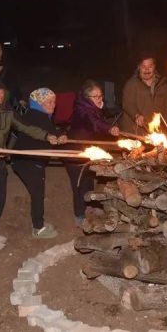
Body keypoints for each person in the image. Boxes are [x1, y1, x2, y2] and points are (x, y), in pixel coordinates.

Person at [0, 77, 60, 250]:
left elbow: (25, 127)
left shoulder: (7, 112)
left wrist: (46, 136)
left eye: (3, 91)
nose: (1, 95)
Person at [11, 88, 65, 239]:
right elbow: (50, 132)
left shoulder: (38, 115)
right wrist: (59, 136)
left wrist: (60, 135)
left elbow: (52, 131)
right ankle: (38, 228)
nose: (53, 105)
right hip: (28, 162)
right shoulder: (38, 117)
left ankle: (38, 225)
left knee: (38, 192)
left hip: (29, 161)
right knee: (38, 193)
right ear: (38, 103)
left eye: (54, 101)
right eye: (48, 102)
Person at [65, 80, 119, 226]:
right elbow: (94, 122)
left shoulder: (94, 107)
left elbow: (96, 119)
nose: (99, 98)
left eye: (100, 95)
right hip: (75, 151)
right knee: (79, 183)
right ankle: (79, 215)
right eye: (95, 96)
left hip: (87, 149)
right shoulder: (82, 109)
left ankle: (91, 206)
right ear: (86, 98)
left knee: (89, 178)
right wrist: (108, 129)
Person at [121, 55, 167, 134]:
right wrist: (136, 115)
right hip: (135, 133)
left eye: (150, 66)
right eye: (143, 66)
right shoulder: (131, 84)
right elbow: (127, 104)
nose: (147, 70)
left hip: (155, 133)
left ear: (154, 67)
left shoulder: (162, 85)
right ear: (139, 67)